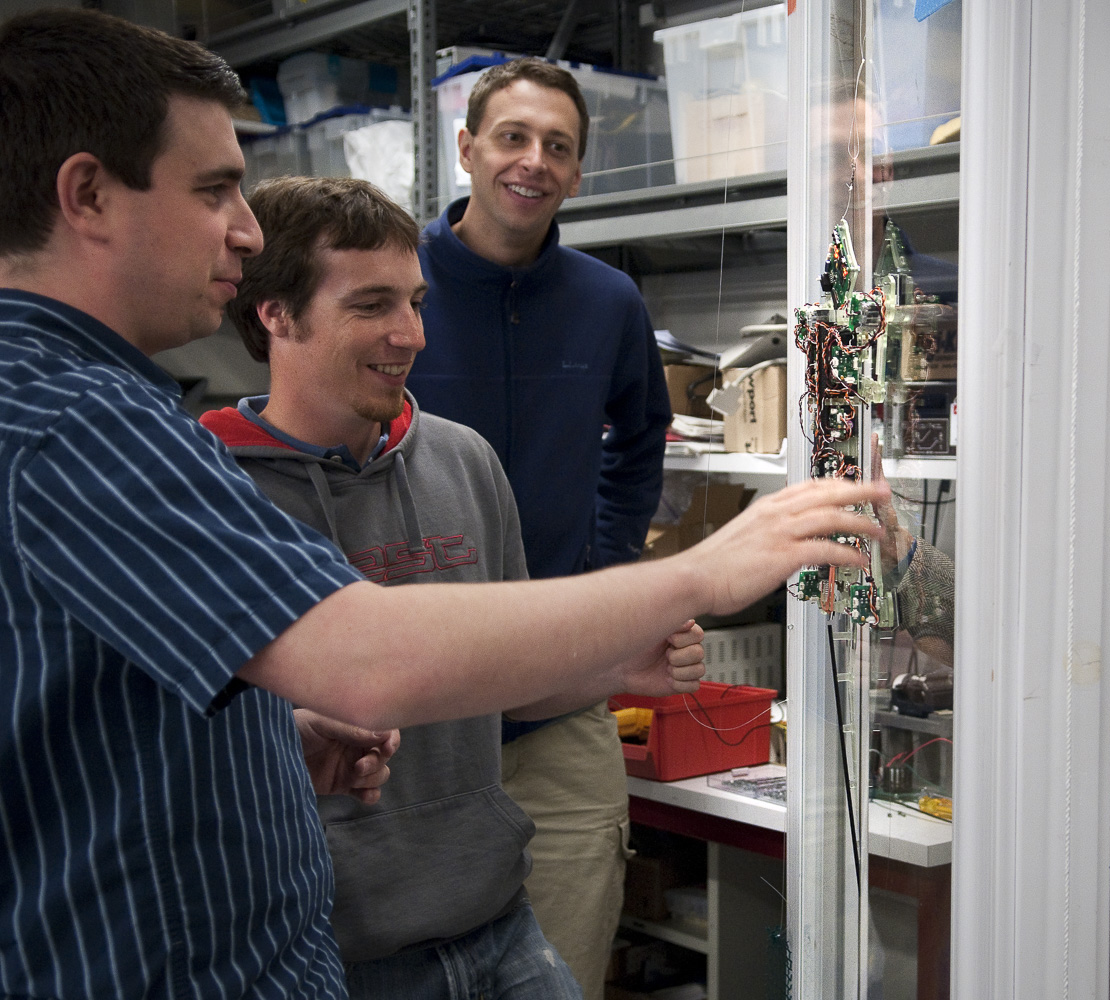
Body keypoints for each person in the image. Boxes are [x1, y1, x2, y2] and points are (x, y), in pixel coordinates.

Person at [0, 11, 883, 998]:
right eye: (215, 191)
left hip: (469, 914)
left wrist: (273, 737)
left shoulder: (107, 408)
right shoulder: (70, 420)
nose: (244, 230)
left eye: (413, 303)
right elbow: (364, 655)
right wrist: (700, 570)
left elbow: (93, 706)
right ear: (86, 196)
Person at [202, 174, 626, 998]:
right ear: (275, 314)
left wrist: (617, 662)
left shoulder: (463, 459)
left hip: (499, 923)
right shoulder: (209, 493)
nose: (411, 335)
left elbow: (507, 680)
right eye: (371, 306)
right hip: (332, 954)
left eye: (416, 302)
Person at [405, 57, 673, 996]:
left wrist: (602, 569)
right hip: (412, 716)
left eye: (558, 147)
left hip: (561, 708)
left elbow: (643, 437)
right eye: (513, 138)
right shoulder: (399, 289)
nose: (533, 161)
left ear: (579, 172)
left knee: (560, 970)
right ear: (469, 149)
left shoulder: (608, 303)